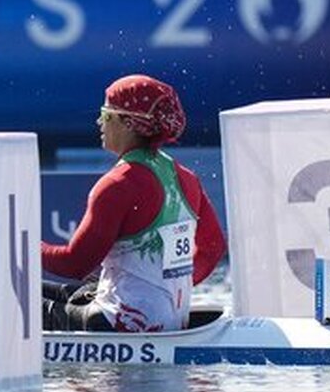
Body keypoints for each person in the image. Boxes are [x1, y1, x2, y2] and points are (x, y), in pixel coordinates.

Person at [41, 74, 226, 332]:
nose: (99, 122)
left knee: (10, 292)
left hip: (117, 323)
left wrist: (23, 247)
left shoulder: (118, 184)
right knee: (69, 291)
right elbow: (213, 247)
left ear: (129, 123)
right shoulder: (186, 177)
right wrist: (164, 283)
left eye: (106, 115)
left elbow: (75, 264)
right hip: (171, 319)